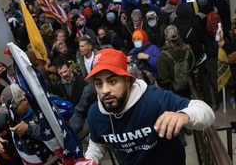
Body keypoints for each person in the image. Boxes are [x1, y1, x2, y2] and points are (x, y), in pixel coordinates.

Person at [84, 49, 215, 164]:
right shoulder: (95, 114)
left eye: (112, 81)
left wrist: (184, 115)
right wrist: (90, 160)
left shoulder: (155, 99)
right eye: (99, 84)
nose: (105, 90)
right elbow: (97, 144)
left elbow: (206, 111)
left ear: (127, 81)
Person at [0, 84, 52, 164]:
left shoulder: (42, 105)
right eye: (9, 108)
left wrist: (29, 129)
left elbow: (55, 134)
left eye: (15, 107)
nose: (12, 111)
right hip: (29, 158)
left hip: (51, 155)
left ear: (25, 100)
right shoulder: (8, 109)